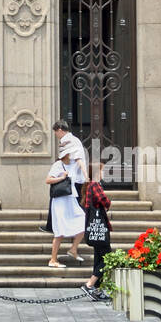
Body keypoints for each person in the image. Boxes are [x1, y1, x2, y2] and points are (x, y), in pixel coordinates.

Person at [43, 120, 86, 268]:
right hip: (60, 200)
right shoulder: (58, 165)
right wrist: (61, 177)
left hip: (70, 198)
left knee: (82, 221)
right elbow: (48, 180)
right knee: (59, 231)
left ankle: (73, 249)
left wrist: (86, 177)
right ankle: (53, 259)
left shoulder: (72, 164)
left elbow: (80, 161)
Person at [80, 177, 112, 299]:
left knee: (99, 259)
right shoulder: (95, 184)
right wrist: (108, 204)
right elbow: (104, 200)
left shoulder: (88, 187)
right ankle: (89, 284)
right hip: (100, 231)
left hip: (95, 231)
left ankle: (97, 291)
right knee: (107, 258)